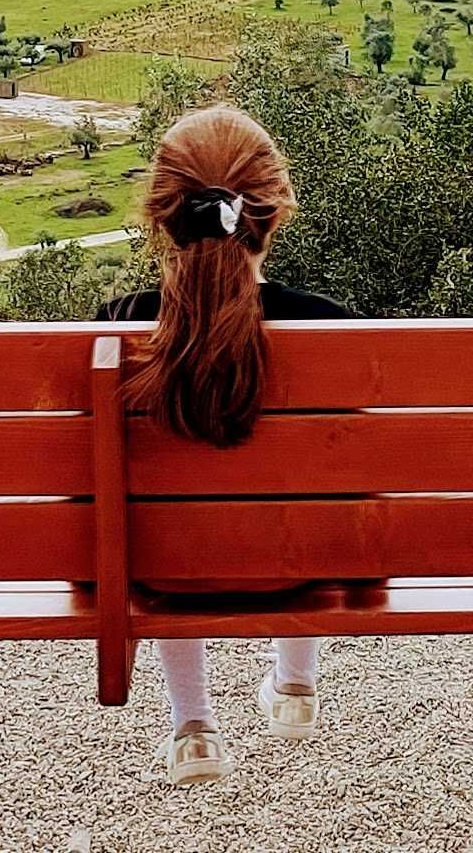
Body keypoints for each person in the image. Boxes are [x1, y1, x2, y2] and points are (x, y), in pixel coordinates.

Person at [94, 103, 355, 787]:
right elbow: (354, 489)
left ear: (160, 213)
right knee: (313, 509)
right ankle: (296, 684)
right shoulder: (332, 330)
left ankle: (193, 725)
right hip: (300, 565)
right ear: (272, 211)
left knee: (164, 534)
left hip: (160, 570)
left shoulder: (116, 330)